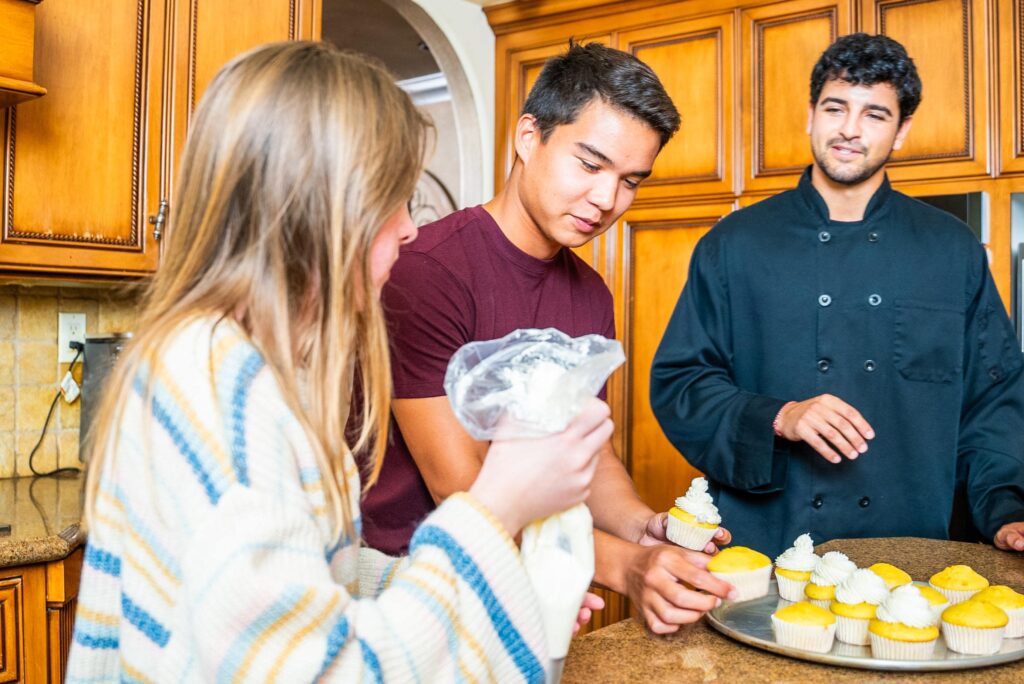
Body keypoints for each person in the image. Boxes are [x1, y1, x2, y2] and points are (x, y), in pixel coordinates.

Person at [66, 42, 615, 682]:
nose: (410, 230)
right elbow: (313, 670)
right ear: (317, 204)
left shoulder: (260, 370)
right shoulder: (213, 383)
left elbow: (322, 580)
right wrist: (495, 510)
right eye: (393, 201)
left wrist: (493, 588)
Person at [360, 41, 736, 635]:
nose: (607, 200)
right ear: (528, 137)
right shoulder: (425, 272)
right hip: (408, 591)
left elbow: (588, 448)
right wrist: (624, 564)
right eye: (590, 165)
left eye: (630, 181)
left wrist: (640, 527)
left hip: (525, 586)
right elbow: (461, 487)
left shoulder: (590, 293)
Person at [650, 33, 1024, 559]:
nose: (850, 129)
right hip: (764, 552)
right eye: (835, 107)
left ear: (902, 131)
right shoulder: (734, 244)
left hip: (909, 557)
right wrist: (781, 416)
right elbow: (681, 383)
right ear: (810, 114)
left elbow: (994, 399)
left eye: (874, 114)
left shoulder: (951, 250)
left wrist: (1005, 509)